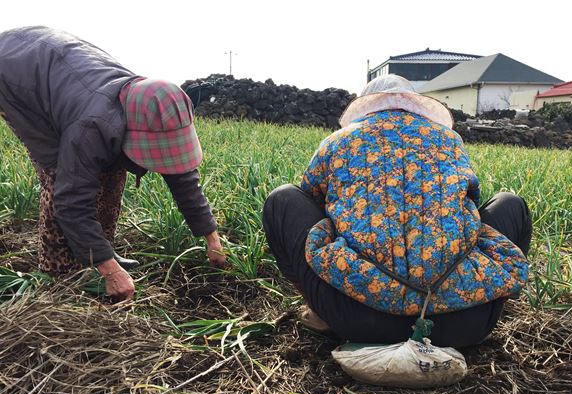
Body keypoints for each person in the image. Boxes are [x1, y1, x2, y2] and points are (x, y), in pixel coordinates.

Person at [263, 74, 531, 347]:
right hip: (464, 324)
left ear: (366, 106)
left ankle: (321, 314)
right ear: (414, 104)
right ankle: (483, 307)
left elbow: (313, 201)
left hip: (356, 318)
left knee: (282, 200)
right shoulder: (450, 141)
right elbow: (471, 201)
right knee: (511, 204)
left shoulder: (337, 142)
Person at [0, 26, 226, 300]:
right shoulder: (92, 126)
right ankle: (57, 272)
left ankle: (99, 250)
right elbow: (70, 200)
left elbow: (182, 176)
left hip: (56, 69)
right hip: (14, 77)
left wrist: (211, 238)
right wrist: (111, 272)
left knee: (113, 166)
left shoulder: (153, 107)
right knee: (60, 172)